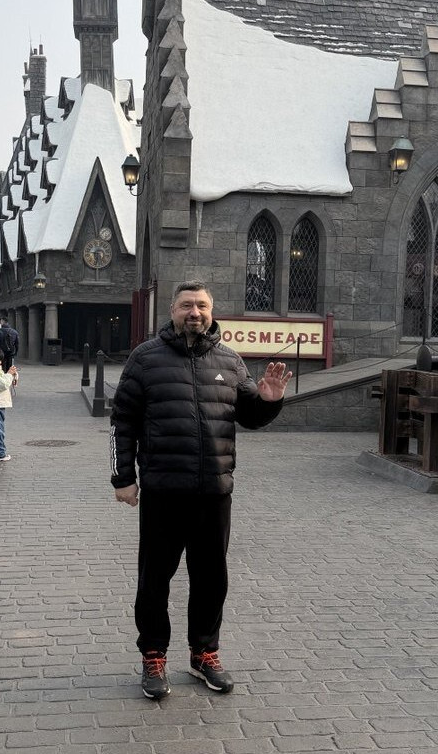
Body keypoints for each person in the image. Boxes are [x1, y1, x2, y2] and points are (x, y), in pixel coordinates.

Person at [110, 281, 292, 700]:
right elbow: (123, 422)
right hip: (163, 491)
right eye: (187, 305)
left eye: (202, 305)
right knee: (154, 580)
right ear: (172, 311)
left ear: (212, 311)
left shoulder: (230, 360)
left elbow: (250, 414)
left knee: (211, 579)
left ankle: (204, 653)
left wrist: (269, 400)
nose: (195, 312)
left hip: (214, 491)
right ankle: (153, 656)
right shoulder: (145, 358)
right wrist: (123, 478)